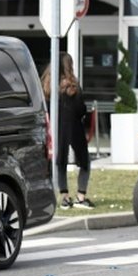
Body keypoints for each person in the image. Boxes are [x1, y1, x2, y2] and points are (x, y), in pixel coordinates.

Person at [41, 52, 94, 209]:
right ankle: (80, 197)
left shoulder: (47, 84)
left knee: (60, 162)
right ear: (68, 65)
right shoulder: (72, 85)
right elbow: (80, 109)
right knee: (85, 161)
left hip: (55, 127)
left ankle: (64, 197)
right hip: (73, 126)